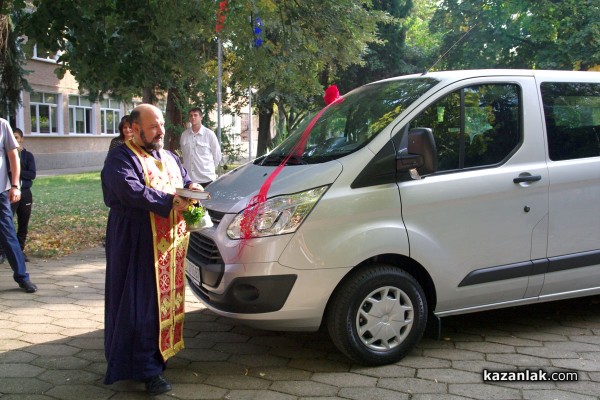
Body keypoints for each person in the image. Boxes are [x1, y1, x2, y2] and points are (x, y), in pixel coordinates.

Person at [101, 104, 202, 395]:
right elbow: (128, 189)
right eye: (153, 126)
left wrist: (191, 186)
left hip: (167, 246)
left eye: (161, 125)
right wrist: (170, 201)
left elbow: (183, 179)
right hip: (135, 242)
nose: (160, 131)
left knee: (161, 304)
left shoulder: (169, 156)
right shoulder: (121, 156)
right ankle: (146, 370)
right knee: (138, 305)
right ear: (134, 128)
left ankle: (158, 356)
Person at [0, 119, 37, 293]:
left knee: (8, 234)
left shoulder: (2, 125)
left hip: (1, 192)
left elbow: (13, 156)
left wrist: (15, 185)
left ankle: (22, 277)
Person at [180, 107, 222, 187]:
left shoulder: (209, 134)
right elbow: (184, 155)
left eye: (195, 115)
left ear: (201, 117)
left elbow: (217, 156)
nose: (193, 117)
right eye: (191, 115)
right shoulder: (184, 135)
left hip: (206, 179)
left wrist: (207, 169)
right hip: (190, 181)